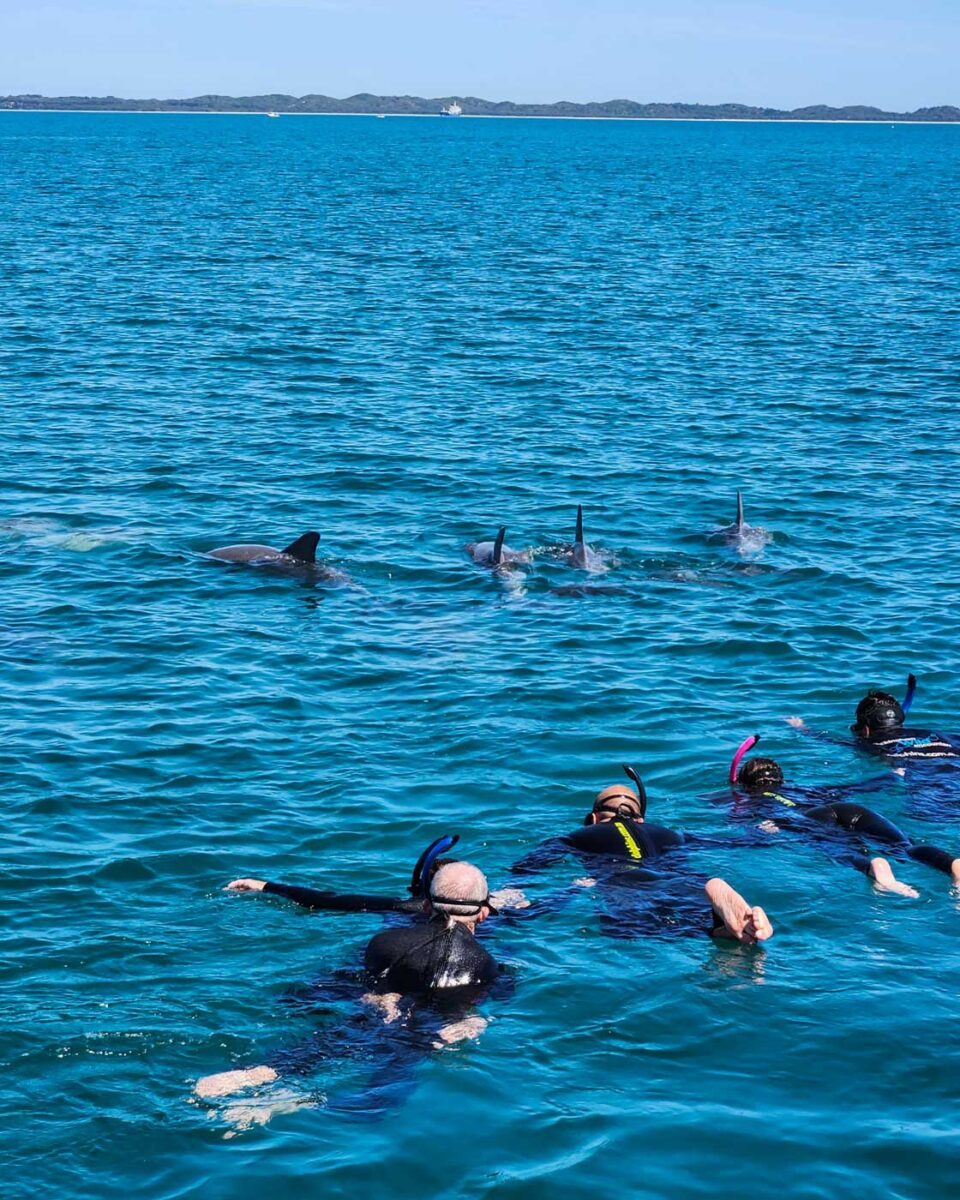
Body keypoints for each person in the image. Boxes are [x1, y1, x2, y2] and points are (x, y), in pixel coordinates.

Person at [194, 860, 507, 1128]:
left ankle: (267, 1070)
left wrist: (266, 886)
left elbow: (335, 905)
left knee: (338, 1037)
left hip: (373, 1013)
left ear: (426, 905)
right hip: (427, 1031)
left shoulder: (384, 943)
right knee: (379, 1100)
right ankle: (302, 1101)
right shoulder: (487, 966)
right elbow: (478, 1003)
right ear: (482, 914)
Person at [511, 767, 773, 945]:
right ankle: (718, 925)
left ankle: (716, 931)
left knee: (624, 930)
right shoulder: (670, 833)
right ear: (641, 818)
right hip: (679, 879)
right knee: (688, 907)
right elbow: (724, 843)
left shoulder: (577, 836)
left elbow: (529, 867)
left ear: (592, 818)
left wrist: (514, 890)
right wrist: (762, 832)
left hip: (624, 881)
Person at [728, 734, 960, 894]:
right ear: (782, 780)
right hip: (850, 809)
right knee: (905, 845)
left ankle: (872, 867)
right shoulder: (806, 790)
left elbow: (738, 822)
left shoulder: (753, 800)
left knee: (843, 849)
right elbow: (854, 788)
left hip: (813, 818)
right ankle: (950, 864)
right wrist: (892, 775)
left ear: (746, 785)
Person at [788, 674, 959, 763]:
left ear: (866, 729)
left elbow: (828, 741)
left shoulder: (868, 744)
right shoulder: (936, 734)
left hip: (927, 781)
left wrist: (802, 728)